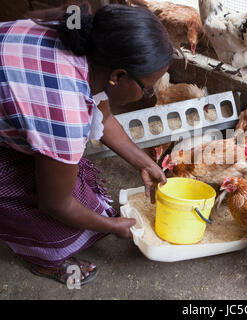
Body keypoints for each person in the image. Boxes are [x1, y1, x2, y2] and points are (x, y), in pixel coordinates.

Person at [0, 3, 172, 285]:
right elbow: (56, 204)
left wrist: (146, 163)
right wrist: (112, 225)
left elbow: (103, 118)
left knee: (74, 182)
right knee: (64, 226)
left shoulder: (85, 44)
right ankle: (43, 259)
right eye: (148, 87)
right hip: (44, 114)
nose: (148, 94)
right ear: (118, 76)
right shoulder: (66, 112)